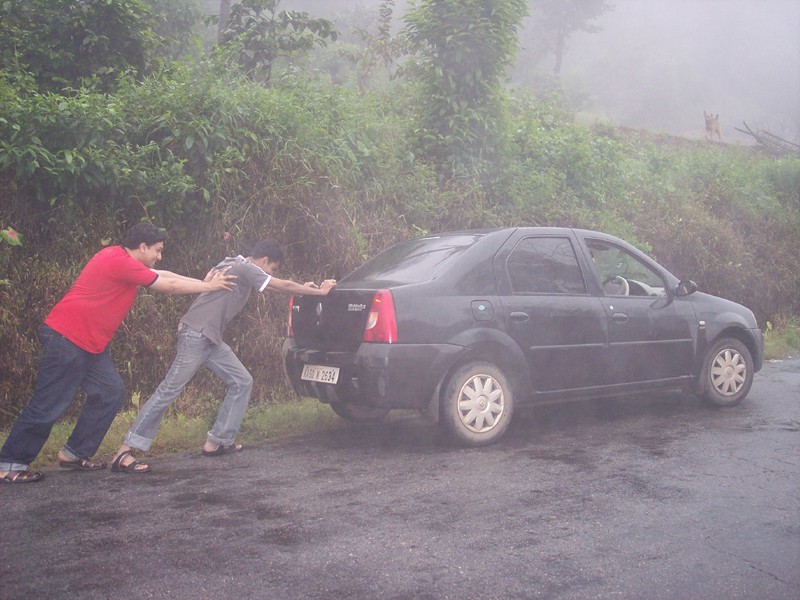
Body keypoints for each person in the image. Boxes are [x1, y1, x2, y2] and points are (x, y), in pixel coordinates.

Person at [0, 223, 237, 484]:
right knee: (49, 403)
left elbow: (165, 274)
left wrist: (202, 282)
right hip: (67, 338)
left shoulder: (123, 259)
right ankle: (10, 462)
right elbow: (167, 286)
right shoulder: (117, 260)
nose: (159, 256)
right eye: (157, 250)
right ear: (143, 246)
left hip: (90, 345)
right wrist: (210, 288)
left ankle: (74, 453)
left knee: (110, 391)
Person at [110, 239, 336, 474]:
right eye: (272, 268)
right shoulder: (246, 268)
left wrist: (306, 289)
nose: (271, 273)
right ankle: (125, 450)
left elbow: (274, 285)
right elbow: (281, 285)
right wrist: (319, 292)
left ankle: (217, 441)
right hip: (197, 335)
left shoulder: (234, 264)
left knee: (241, 381)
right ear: (265, 261)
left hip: (209, 337)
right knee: (169, 390)